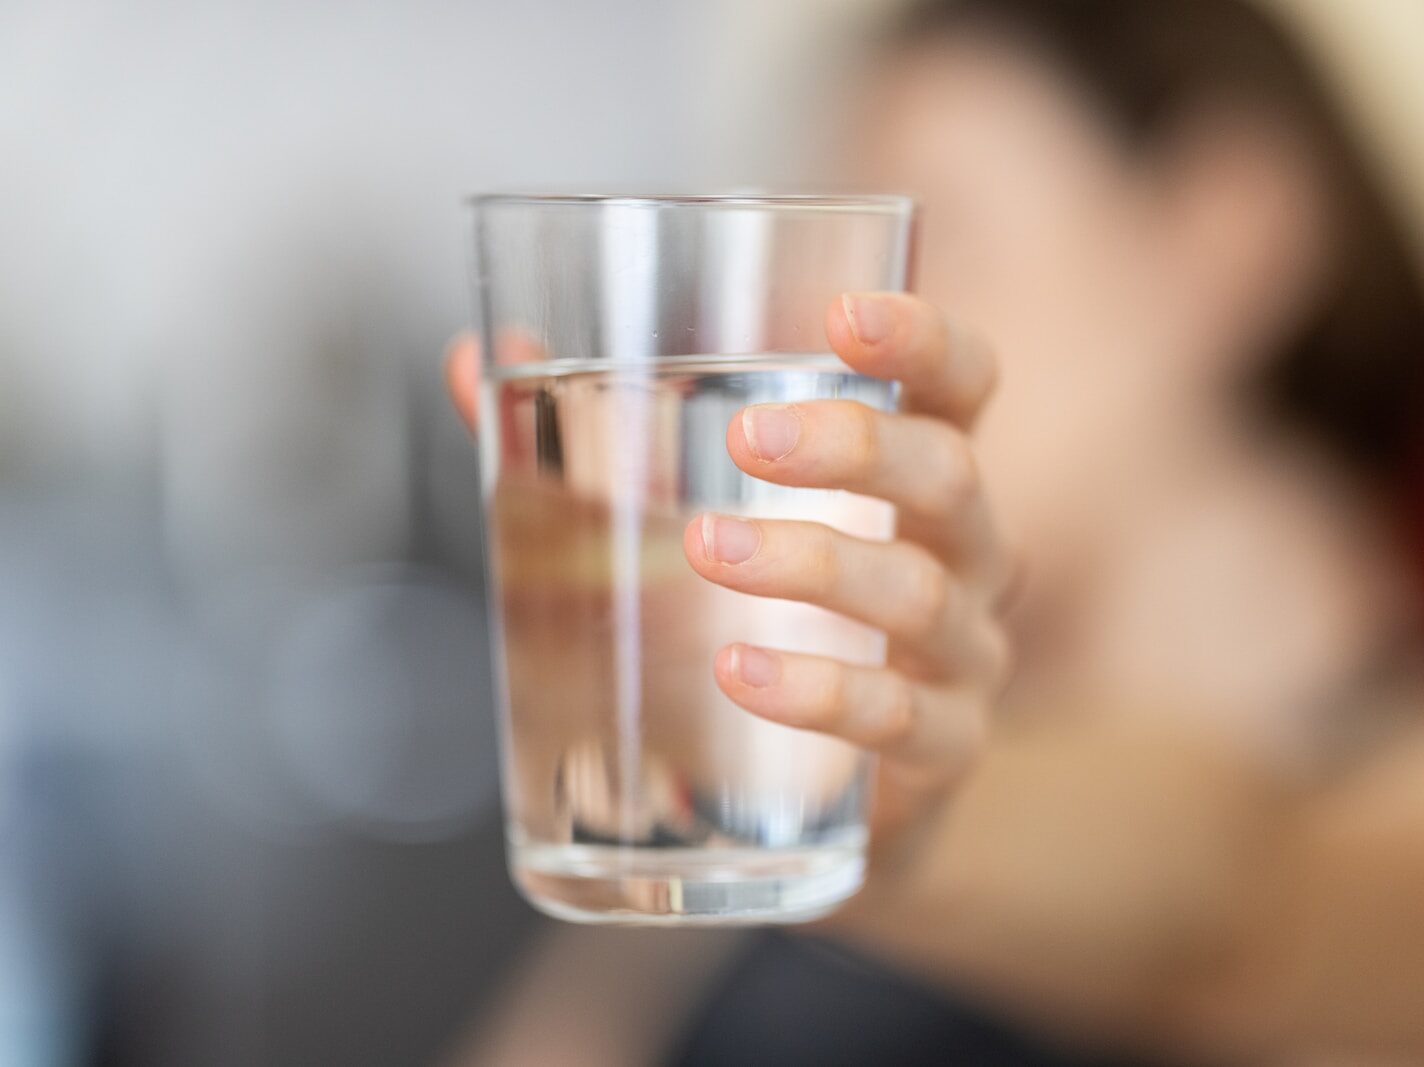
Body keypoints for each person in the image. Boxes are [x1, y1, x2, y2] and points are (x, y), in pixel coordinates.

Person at [446, 0, 1424, 1062]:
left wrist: (907, 833)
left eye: (933, 230)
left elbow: (1245, 908)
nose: (822, 325)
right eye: (816, 261)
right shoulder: (791, 745)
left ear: (1229, 228)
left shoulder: (1375, 796)